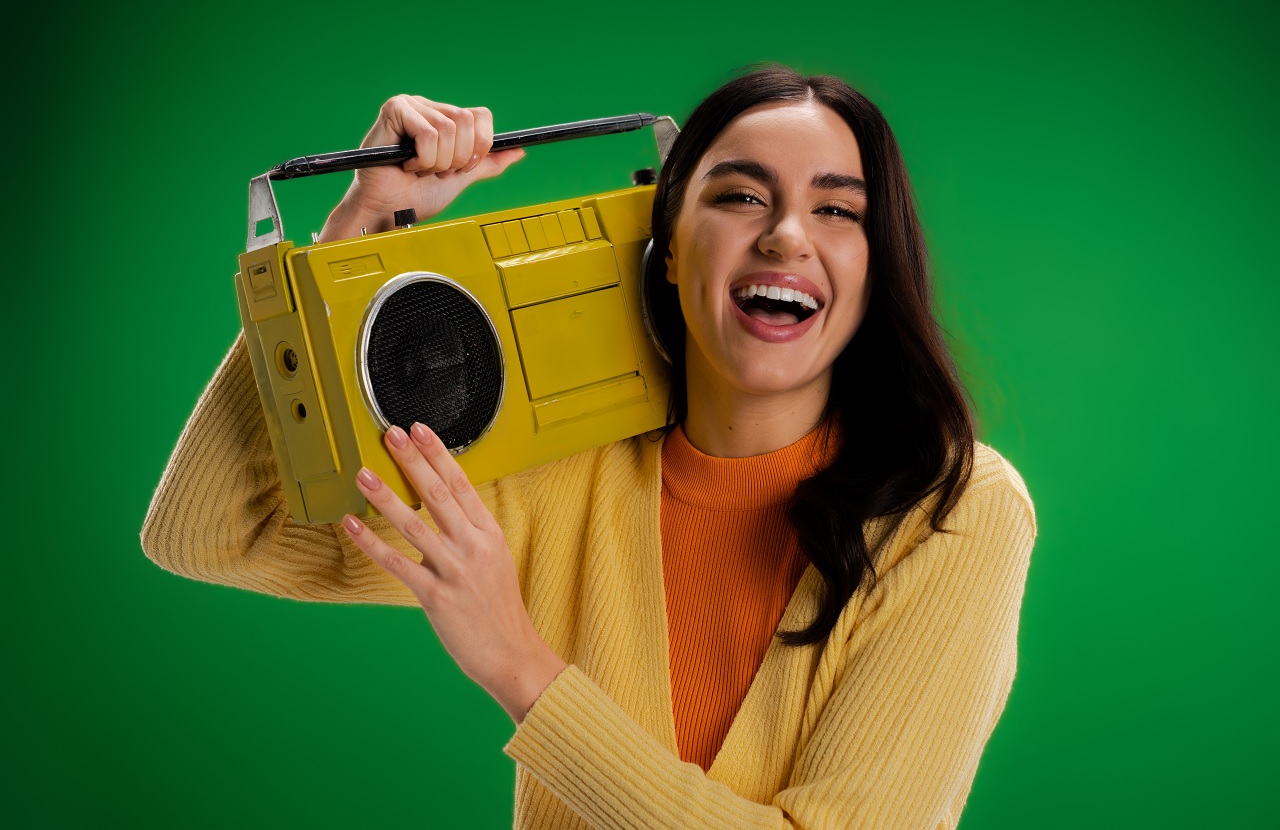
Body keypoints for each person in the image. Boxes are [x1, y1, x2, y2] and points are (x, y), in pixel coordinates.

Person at [142, 66, 1036, 828]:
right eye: (741, 196)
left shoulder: (956, 513)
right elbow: (211, 532)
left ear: (876, 268)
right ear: (671, 246)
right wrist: (346, 248)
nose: (786, 235)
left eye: (839, 210)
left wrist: (519, 665)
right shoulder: (559, 480)